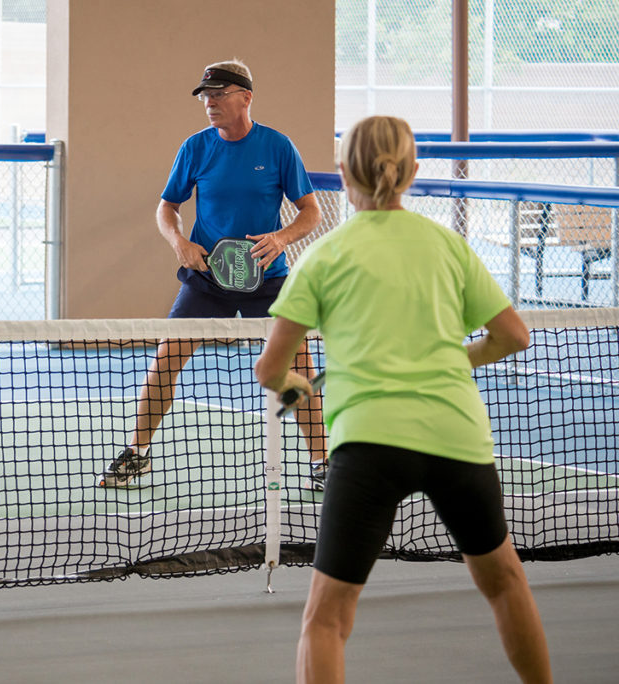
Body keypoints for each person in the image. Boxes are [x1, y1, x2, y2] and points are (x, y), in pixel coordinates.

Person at [255, 115, 552, 683]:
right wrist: (456, 359)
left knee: (325, 621)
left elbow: (272, 369)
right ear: (413, 172)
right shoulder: (448, 245)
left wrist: (295, 388)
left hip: (368, 447)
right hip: (456, 438)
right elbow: (514, 335)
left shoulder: (321, 257)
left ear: (341, 175)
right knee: (506, 583)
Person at [99, 58, 327, 488]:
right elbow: (167, 206)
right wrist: (179, 243)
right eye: (205, 95)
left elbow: (310, 212)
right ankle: (137, 453)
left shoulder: (278, 147)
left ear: (246, 97)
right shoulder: (195, 147)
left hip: (267, 276)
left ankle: (321, 461)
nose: (209, 102)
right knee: (167, 360)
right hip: (207, 278)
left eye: (219, 94)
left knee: (298, 363)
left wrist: (281, 238)